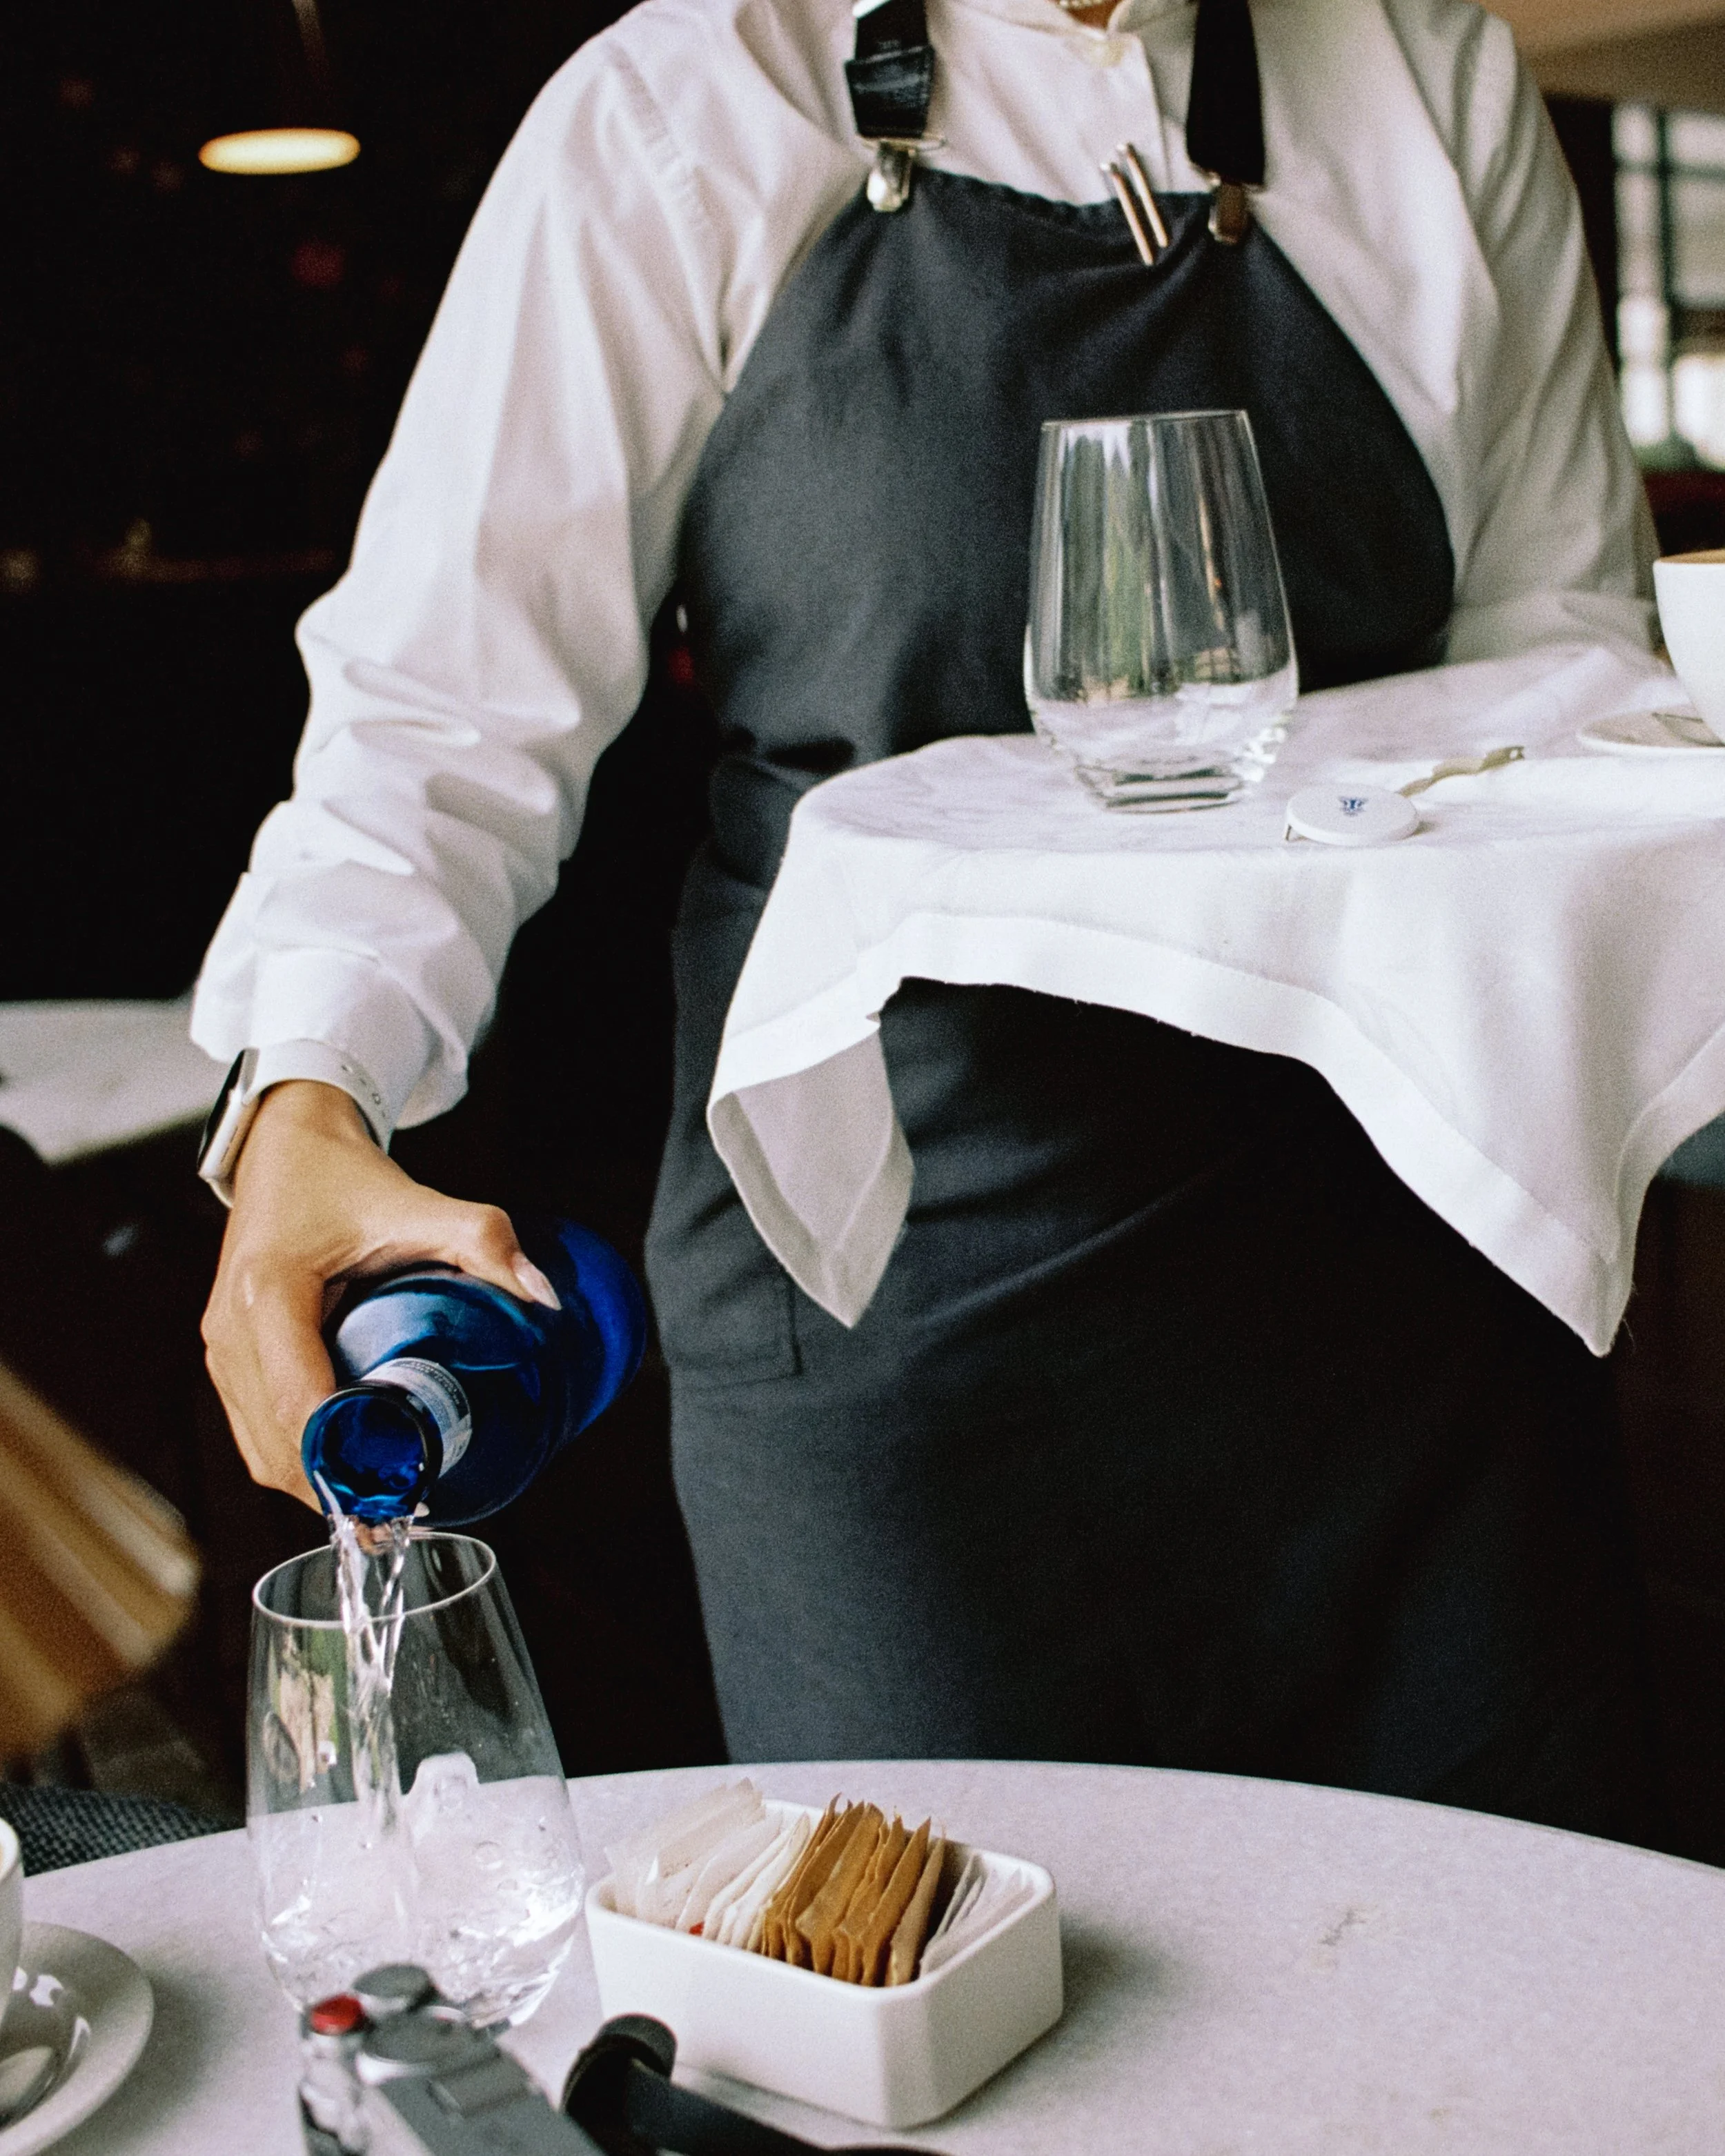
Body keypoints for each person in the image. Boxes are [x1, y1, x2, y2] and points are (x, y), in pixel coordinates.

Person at [195, 0, 1662, 1834]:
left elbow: (1567, 684)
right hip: (893, 1314)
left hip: (1406, 1287)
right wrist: (307, 1097)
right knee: (979, 2059)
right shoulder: (684, 102)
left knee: (1503, 2020)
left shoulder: (1421, 65)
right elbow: (442, 713)